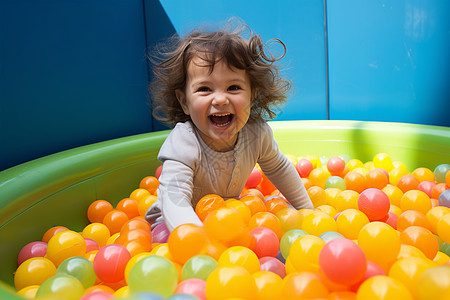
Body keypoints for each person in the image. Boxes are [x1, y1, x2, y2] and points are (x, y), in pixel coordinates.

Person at [146, 19, 313, 232]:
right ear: (184, 102)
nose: (220, 99)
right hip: (172, 225)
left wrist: (308, 212)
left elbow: (279, 168)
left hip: (226, 219)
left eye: (233, 87)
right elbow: (174, 199)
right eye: (205, 89)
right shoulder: (184, 142)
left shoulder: (255, 133)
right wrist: (199, 239)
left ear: (252, 96)